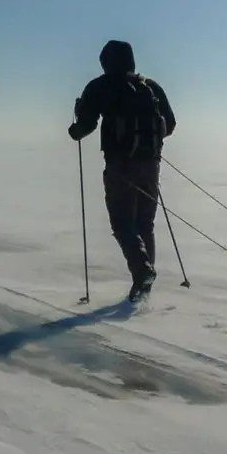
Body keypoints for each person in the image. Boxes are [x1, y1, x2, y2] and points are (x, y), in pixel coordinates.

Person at [68, 40, 177, 301]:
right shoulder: (149, 86)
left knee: (122, 223)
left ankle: (142, 272)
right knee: (144, 224)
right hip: (151, 164)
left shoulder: (101, 86)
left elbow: (84, 127)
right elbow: (170, 124)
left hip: (120, 166)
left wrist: (74, 126)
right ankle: (144, 287)